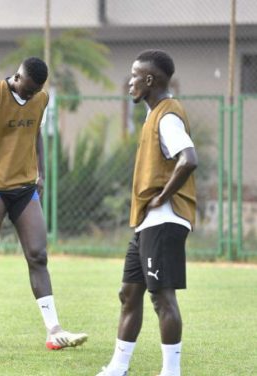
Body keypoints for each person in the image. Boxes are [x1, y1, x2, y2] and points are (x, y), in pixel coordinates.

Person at [0, 57, 88, 350]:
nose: (30, 96)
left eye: (36, 91)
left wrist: (40, 172)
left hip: (24, 188)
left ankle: (54, 329)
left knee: (38, 255)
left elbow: (36, 132)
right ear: (17, 77)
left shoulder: (41, 97)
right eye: (27, 89)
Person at [96, 50, 198, 376]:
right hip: (147, 222)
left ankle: (172, 371)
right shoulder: (152, 114)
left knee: (161, 298)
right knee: (129, 293)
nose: (130, 82)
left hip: (165, 219)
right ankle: (118, 367)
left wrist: (163, 196)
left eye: (134, 76)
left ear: (150, 80)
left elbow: (189, 158)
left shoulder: (167, 116)